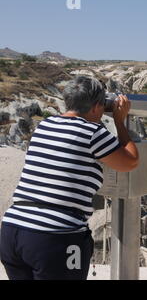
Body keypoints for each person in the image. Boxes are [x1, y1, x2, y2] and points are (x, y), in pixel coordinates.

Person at [0, 75, 139, 280]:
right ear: (94, 107)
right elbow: (130, 161)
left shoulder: (44, 126)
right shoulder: (92, 132)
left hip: (13, 230)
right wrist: (119, 121)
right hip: (55, 236)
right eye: (102, 106)